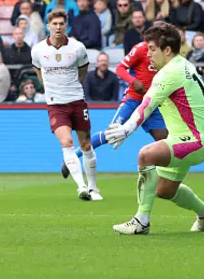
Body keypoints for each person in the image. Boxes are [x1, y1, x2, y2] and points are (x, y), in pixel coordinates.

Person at [106, 22, 204, 235]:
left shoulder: (169, 73)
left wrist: (126, 129)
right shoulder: (184, 65)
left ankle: (141, 222)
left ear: (167, 50)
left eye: (151, 49)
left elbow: (145, 106)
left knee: (146, 155)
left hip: (194, 141)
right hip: (193, 139)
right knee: (164, 190)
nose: (147, 54)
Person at [63, 40, 168, 178]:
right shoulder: (140, 48)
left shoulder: (165, 52)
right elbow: (120, 69)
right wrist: (133, 81)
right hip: (133, 100)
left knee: (165, 141)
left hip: (151, 103)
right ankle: (73, 158)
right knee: (110, 135)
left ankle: (163, 178)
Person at [31, 9, 101, 201]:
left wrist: (72, 87)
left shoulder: (78, 48)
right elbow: (38, 72)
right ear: (48, 26)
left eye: (62, 24)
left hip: (77, 101)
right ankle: (82, 187)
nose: (58, 27)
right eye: (55, 24)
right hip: (56, 105)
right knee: (66, 143)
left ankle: (94, 187)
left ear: (66, 26)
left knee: (86, 145)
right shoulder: (38, 50)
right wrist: (51, 90)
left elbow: (83, 71)